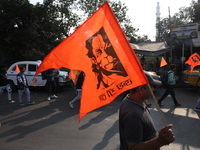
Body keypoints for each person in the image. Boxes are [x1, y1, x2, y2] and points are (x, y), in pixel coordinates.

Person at [119, 71, 175, 150]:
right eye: (151, 86)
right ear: (141, 89)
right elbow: (133, 147)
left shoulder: (130, 100)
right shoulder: (134, 114)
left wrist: (158, 136)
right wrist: (160, 141)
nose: (153, 90)